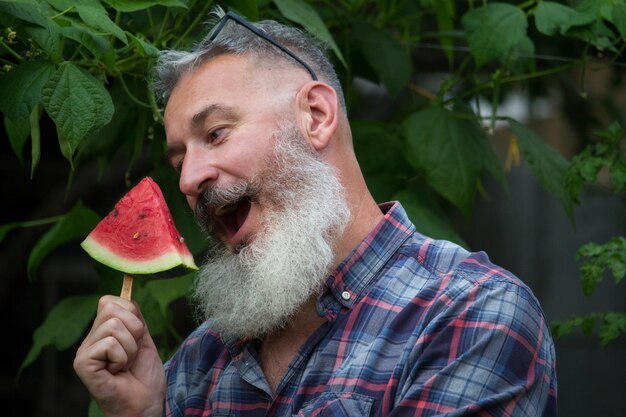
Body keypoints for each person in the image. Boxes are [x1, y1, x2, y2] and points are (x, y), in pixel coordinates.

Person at [73, 8, 557, 417]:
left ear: (316, 117)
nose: (187, 180)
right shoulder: (199, 358)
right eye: (179, 161)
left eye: (216, 133)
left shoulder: (470, 314)